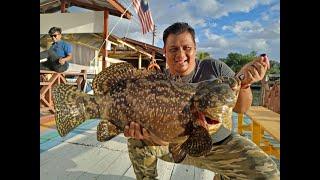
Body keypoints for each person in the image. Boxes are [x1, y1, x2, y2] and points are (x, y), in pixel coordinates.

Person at [124, 22, 280, 179]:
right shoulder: (159, 83)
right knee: (137, 141)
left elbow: (242, 108)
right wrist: (152, 135)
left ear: (195, 49)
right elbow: (157, 130)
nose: (180, 54)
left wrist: (245, 83)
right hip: (177, 146)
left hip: (219, 145)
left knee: (268, 174)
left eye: (187, 48)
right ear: (164, 51)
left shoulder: (214, 67)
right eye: (173, 49)